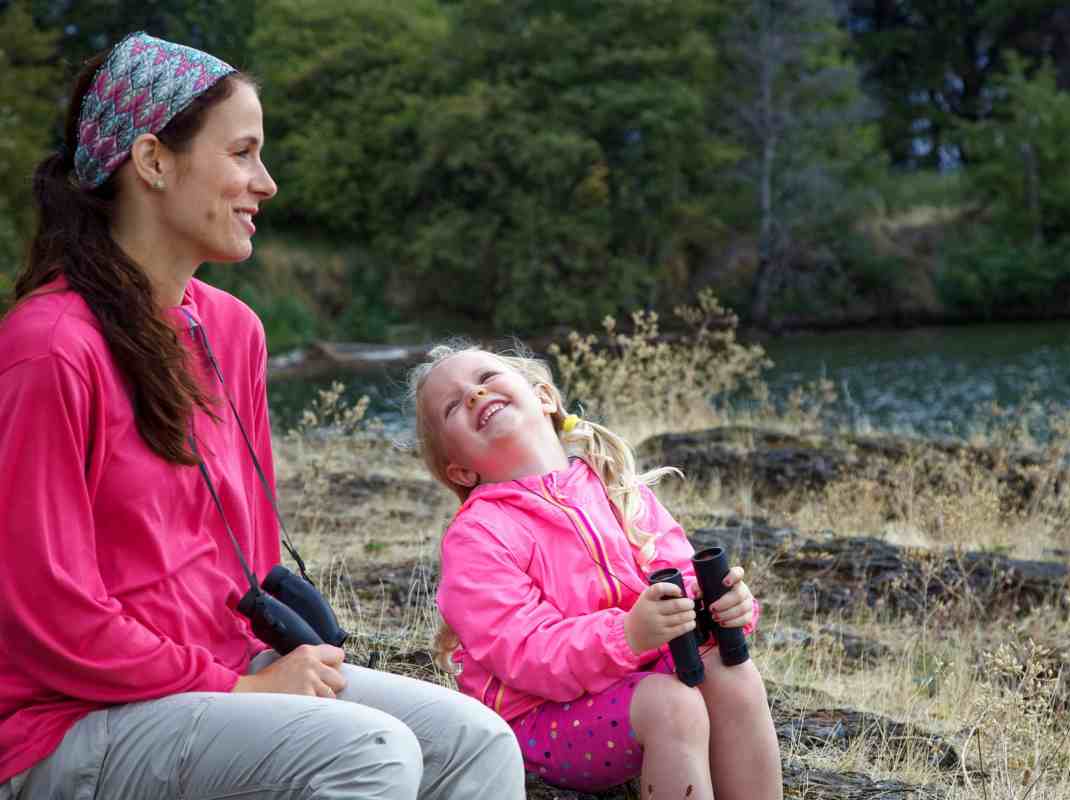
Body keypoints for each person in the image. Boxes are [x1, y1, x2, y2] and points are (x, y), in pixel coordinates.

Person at [0, 32, 523, 800]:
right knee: (370, 752)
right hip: (69, 721)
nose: (266, 182)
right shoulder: (49, 349)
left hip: (217, 677)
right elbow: (43, 615)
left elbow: (244, 557)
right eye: (242, 153)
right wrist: (237, 688)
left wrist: (253, 673)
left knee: (478, 741)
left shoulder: (233, 332)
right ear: (152, 161)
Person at [410, 342, 784, 799]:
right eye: (453, 405)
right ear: (461, 471)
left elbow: (679, 575)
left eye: (486, 379)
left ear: (544, 396)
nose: (473, 395)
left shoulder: (613, 486)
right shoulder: (478, 536)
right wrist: (627, 634)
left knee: (734, 672)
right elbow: (526, 653)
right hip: (539, 716)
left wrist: (723, 607)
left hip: (632, 676)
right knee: (673, 705)